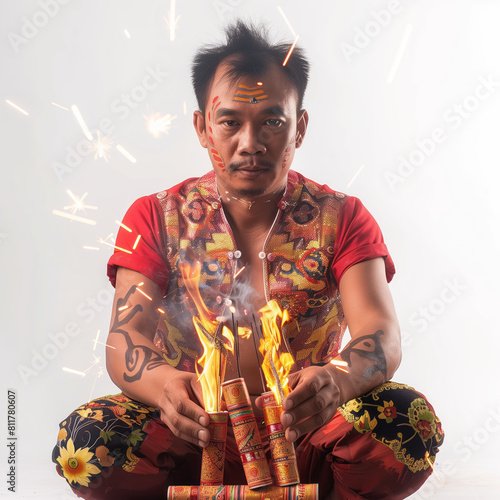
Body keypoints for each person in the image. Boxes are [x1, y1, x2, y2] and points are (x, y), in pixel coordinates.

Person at [52, 21, 444, 500]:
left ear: (299, 127)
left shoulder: (343, 217)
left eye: (272, 122)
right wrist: (165, 389)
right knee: (86, 441)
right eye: (230, 121)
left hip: (307, 440)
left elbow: (381, 335)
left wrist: (335, 383)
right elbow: (123, 339)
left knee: (409, 425)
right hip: (190, 442)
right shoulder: (155, 215)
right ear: (202, 128)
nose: (250, 143)